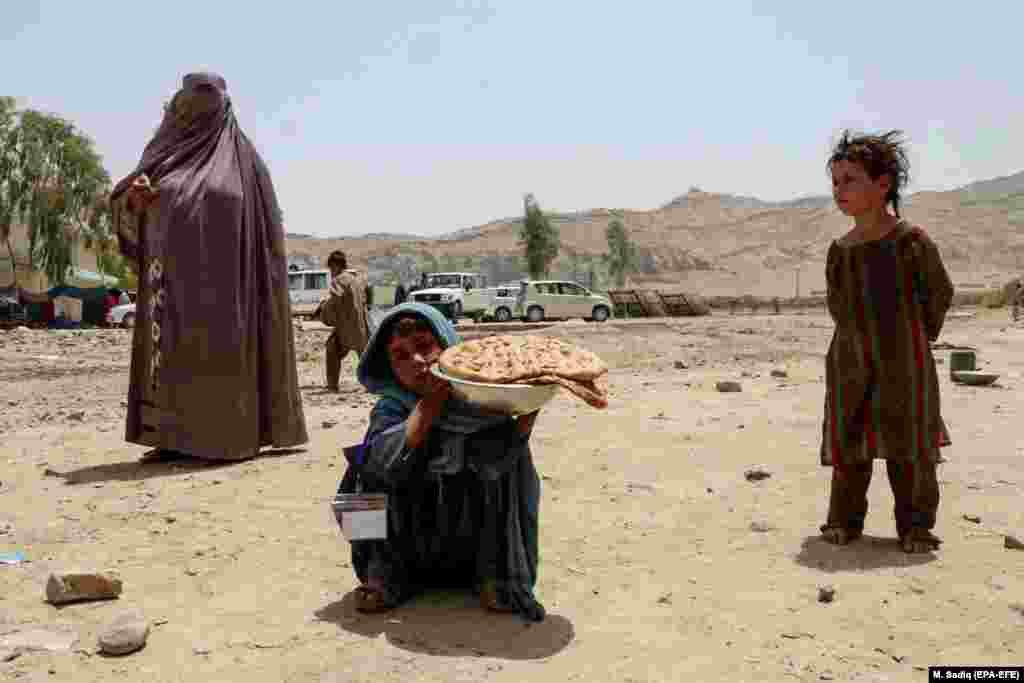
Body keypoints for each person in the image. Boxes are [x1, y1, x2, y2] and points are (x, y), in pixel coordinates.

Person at [109, 72, 308, 461]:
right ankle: (169, 439)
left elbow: (266, 244)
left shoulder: (246, 165)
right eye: (186, 103)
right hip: (170, 290)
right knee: (169, 364)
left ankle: (228, 435)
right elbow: (126, 203)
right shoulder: (162, 154)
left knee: (221, 361)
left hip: (230, 293)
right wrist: (138, 201)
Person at [335, 302, 545, 620]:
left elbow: (498, 459)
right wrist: (428, 408)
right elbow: (383, 463)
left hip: (469, 543)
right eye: (401, 356)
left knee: (512, 461)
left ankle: (495, 576)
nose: (417, 362)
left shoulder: (482, 404)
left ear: (448, 347)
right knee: (363, 469)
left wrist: (530, 406)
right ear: (389, 368)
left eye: (424, 346)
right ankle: (383, 575)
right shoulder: (391, 408)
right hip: (408, 545)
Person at [819, 130, 954, 554]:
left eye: (851, 180)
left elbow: (939, 295)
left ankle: (916, 528)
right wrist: (856, 347)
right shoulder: (839, 251)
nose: (840, 190)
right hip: (849, 362)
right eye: (836, 181)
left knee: (911, 444)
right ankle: (843, 522)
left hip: (905, 363)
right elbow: (839, 307)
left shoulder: (912, 241)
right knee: (849, 439)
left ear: (883, 184)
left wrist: (912, 340)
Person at [320, 250, 370, 392]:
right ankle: (373, 385)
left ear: (335, 266)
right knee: (364, 356)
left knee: (332, 349)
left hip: (346, 327)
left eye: (331, 268)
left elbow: (335, 299)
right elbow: (365, 300)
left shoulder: (339, 280)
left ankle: (332, 386)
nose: (331, 271)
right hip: (361, 326)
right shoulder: (355, 280)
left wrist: (324, 308)